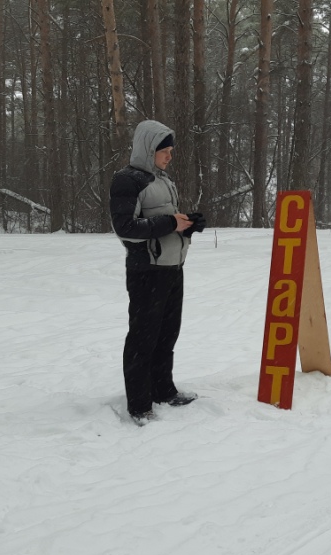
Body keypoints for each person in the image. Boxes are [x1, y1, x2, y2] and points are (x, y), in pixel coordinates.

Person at [110, 120, 206, 426]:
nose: (169, 156)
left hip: (172, 269)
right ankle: (139, 404)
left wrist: (188, 225)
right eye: (164, 151)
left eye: (171, 151)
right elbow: (125, 228)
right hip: (146, 272)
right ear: (149, 148)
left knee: (167, 334)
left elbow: (164, 221)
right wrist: (170, 223)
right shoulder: (127, 181)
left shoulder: (162, 180)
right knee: (143, 339)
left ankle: (163, 390)